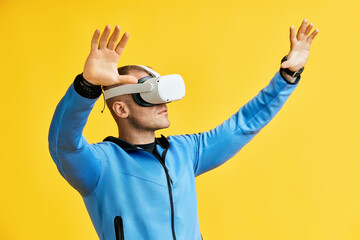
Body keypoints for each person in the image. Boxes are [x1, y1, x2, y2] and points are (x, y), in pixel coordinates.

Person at [48, 20, 319, 240]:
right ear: (121, 109)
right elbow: (64, 144)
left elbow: (243, 126)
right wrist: (86, 87)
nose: (163, 102)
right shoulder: (100, 166)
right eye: (148, 93)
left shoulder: (185, 152)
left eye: (162, 91)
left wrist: (287, 77)